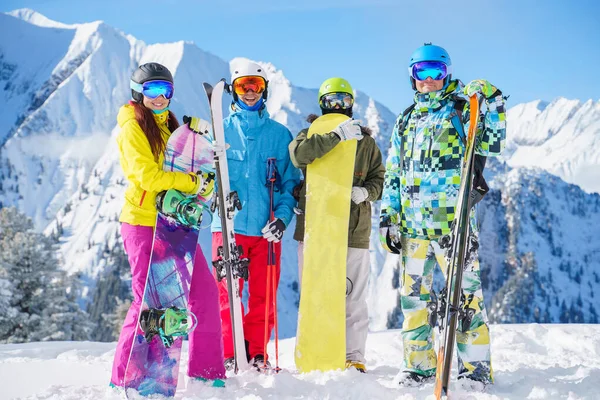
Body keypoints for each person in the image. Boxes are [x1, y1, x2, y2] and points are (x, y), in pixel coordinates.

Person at [380, 43, 506, 387]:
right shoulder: (406, 119)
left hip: (454, 226)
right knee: (414, 302)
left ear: (447, 73)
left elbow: (492, 142)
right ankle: (419, 367)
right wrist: (388, 215)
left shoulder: (462, 110)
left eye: (437, 71)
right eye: (422, 72)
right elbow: (393, 171)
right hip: (413, 228)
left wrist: (491, 99)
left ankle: (475, 369)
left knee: (465, 299)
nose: (430, 79)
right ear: (412, 76)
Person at [111, 62, 226, 388]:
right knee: (147, 304)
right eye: (152, 91)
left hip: (175, 225)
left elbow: (182, 163)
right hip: (144, 223)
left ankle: (207, 375)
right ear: (138, 92)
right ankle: (124, 380)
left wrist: (202, 146)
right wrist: (192, 182)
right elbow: (146, 175)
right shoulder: (132, 126)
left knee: (203, 294)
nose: (160, 98)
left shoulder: (168, 126)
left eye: (166, 91)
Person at [289, 77, 385, 373]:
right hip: (316, 231)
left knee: (354, 298)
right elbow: (298, 155)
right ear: (322, 104)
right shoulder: (309, 135)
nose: (338, 106)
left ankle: (354, 355)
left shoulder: (366, 143)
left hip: (353, 232)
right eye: (332, 100)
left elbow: (380, 180)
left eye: (343, 100)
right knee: (315, 294)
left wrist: (365, 192)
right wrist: (335, 137)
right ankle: (316, 352)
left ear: (351, 104)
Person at [211, 60, 301, 370]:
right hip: (228, 228)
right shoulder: (219, 131)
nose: (250, 92)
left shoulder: (279, 135)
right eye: (243, 86)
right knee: (227, 296)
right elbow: (205, 178)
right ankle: (228, 351)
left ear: (265, 90)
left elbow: (291, 185)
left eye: (256, 86)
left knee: (264, 296)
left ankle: (257, 352)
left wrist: (283, 219)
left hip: (266, 231)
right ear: (234, 91)